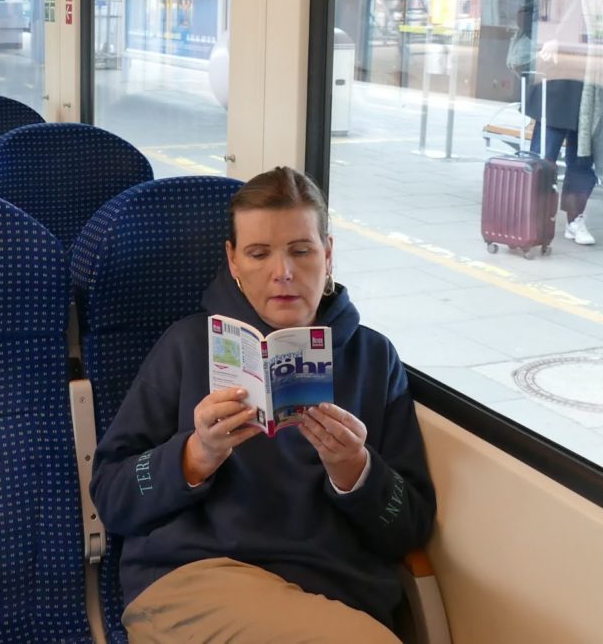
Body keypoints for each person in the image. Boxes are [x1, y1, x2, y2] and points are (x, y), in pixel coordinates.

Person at [90, 167, 436, 642]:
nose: (284, 273)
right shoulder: (187, 345)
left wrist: (355, 469)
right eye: (259, 254)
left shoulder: (373, 358)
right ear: (233, 262)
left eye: (301, 250)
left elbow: (409, 527)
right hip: (197, 577)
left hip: (334, 593)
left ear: (328, 254)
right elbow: (112, 497)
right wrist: (196, 455)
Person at [530, 0, 603, 246]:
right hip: (561, 90)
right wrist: (552, 41)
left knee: (582, 161)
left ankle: (576, 220)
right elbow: (544, 22)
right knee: (544, 159)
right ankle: (532, 216)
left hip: (594, 94)